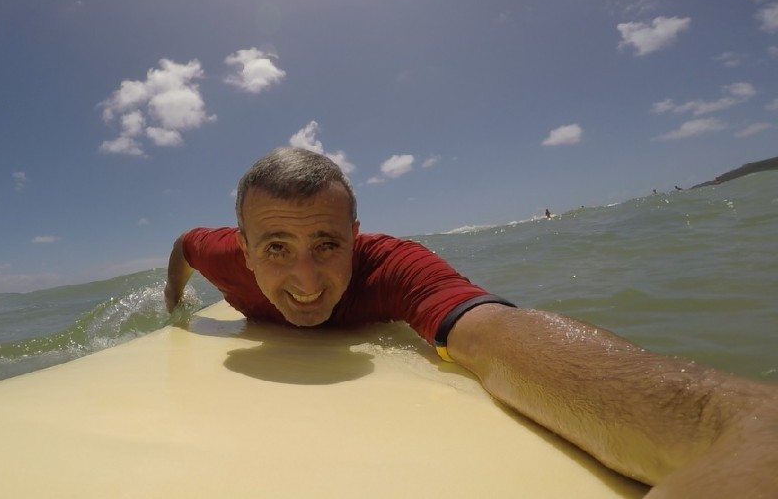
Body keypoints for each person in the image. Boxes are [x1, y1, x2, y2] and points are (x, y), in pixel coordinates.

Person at [164, 147, 777, 498]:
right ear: (241, 248)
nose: (305, 279)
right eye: (275, 249)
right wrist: (174, 306)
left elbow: (491, 334)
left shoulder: (393, 265)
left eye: (326, 244)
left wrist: (718, 423)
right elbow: (182, 248)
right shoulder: (213, 250)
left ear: (356, 237)